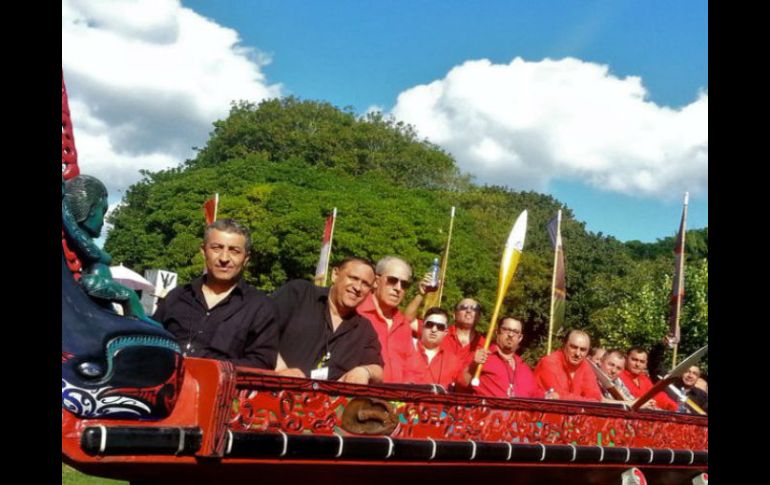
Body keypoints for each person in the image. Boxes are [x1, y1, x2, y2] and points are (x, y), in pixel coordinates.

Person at [153, 219, 278, 369]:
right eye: (216, 248)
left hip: (222, 391)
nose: (224, 258)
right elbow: (148, 340)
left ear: (246, 259)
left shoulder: (261, 308)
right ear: (203, 251)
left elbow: (262, 364)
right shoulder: (176, 296)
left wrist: (205, 366)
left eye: (234, 251)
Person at [272, 257, 384, 384]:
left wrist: (365, 371)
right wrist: (281, 370)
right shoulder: (299, 294)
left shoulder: (364, 329)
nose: (358, 287)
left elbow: (378, 369)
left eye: (365, 284)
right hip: (273, 393)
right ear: (335, 275)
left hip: (328, 402)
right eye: (353, 278)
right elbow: (260, 333)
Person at [356, 256, 417, 383]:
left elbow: (412, 368)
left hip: (397, 399)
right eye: (392, 280)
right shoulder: (357, 313)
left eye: (404, 284)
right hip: (360, 398)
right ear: (376, 281)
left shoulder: (404, 324)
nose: (398, 288)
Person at [468, 317, 547, 399]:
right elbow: (461, 383)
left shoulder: (525, 369)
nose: (511, 335)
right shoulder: (481, 357)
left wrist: (548, 396)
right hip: (488, 410)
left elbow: (536, 396)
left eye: (515, 332)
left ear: (520, 338)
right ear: (497, 332)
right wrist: (473, 365)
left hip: (520, 411)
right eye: (506, 330)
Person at [403, 307, 466, 389]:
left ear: (445, 332)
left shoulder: (453, 361)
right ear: (422, 326)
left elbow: (464, 384)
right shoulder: (405, 349)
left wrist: (474, 364)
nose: (434, 329)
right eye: (429, 324)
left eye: (440, 327)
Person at [533, 329, 603, 401]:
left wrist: (564, 397)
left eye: (583, 350)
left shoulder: (585, 365)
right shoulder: (548, 363)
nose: (577, 354)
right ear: (564, 345)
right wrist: (585, 401)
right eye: (573, 347)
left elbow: (596, 398)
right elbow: (557, 399)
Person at [442, 298, 486, 364]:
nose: (468, 310)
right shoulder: (441, 333)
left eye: (474, 309)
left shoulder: (484, 344)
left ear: (478, 317)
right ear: (454, 315)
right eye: (463, 307)